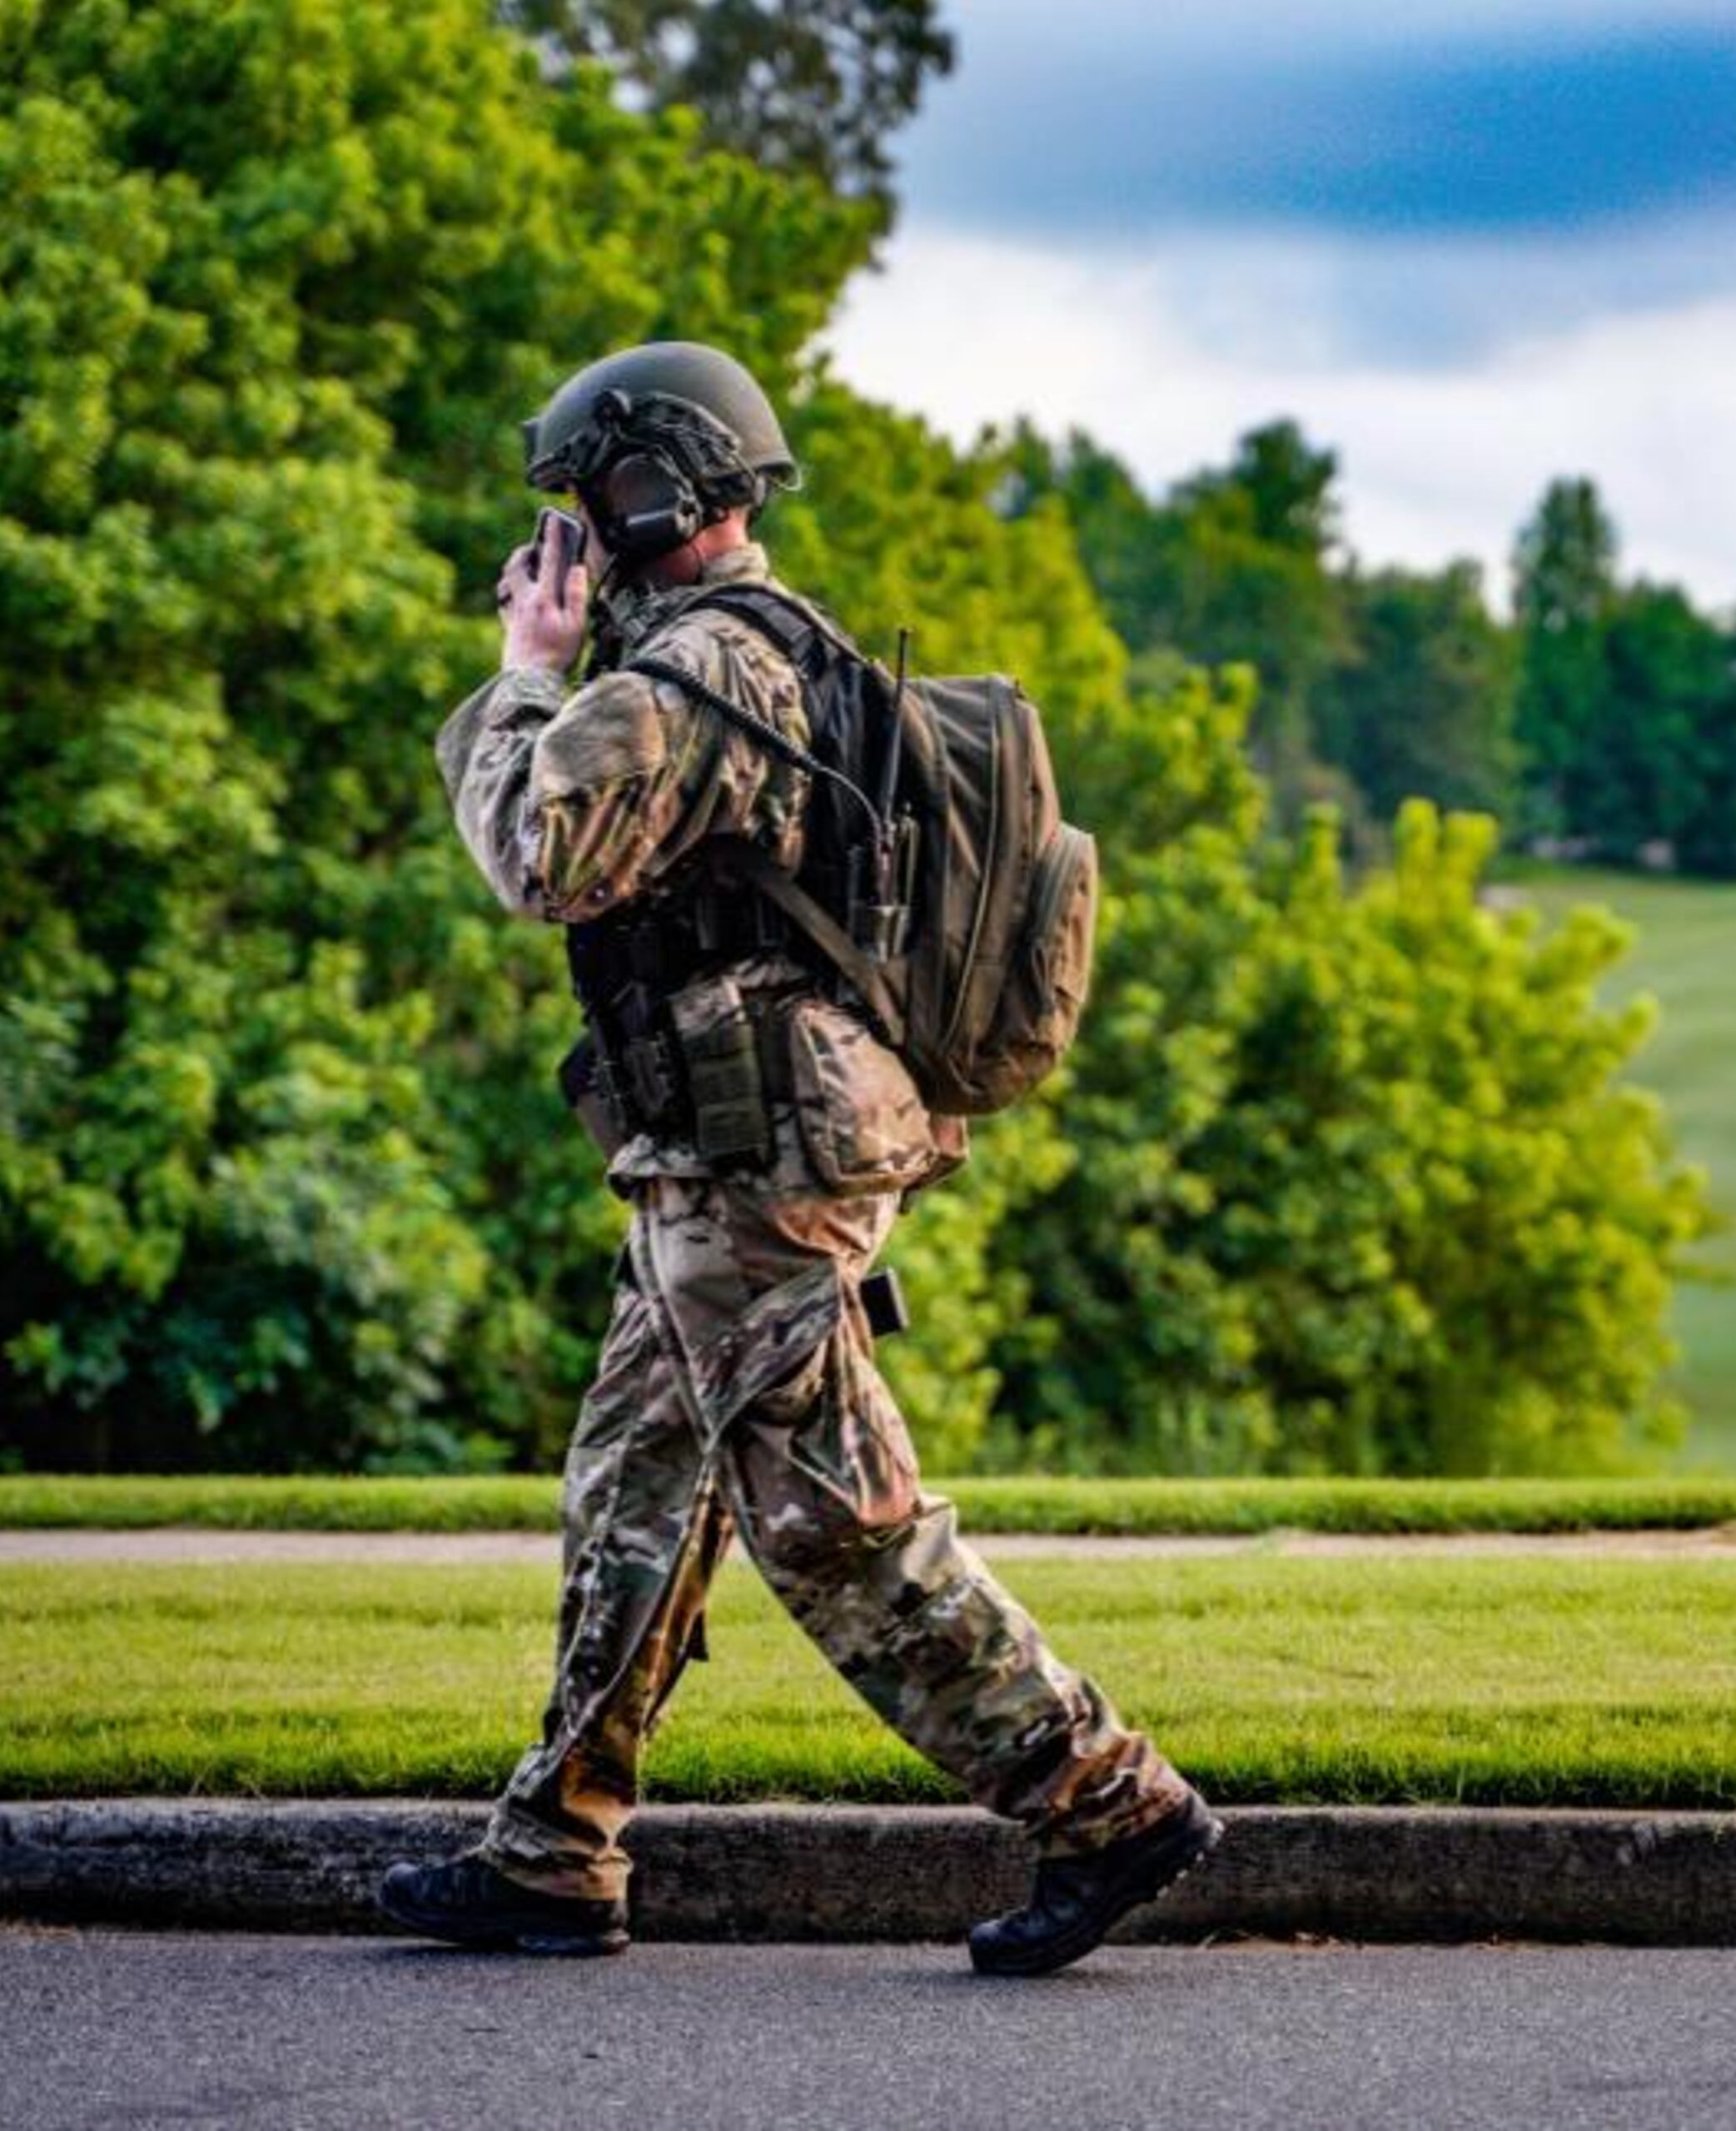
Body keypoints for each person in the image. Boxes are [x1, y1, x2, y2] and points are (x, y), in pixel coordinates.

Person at [378, 341, 1218, 1976]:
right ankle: (555, 1846)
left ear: (656, 490)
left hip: (765, 1154)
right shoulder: (774, 653)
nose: (570, 542)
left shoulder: (696, 673)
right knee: (637, 1479)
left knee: (830, 1514)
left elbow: (541, 849)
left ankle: (1104, 1799)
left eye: (585, 504)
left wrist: (524, 674)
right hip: (736, 1142)